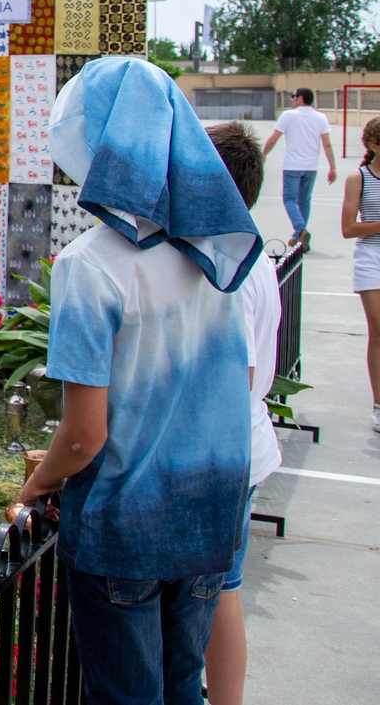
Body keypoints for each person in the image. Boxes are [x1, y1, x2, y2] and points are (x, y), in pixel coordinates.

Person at [16, 57, 259, 705]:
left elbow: (85, 434)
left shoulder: (88, 266)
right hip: (211, 517)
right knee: (184, 686)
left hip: (126, 531)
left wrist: (38, 482)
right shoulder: (210, 252)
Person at [202, 122, 282, 705]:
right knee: (220, 590)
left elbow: (239, 379)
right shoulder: (247, 243)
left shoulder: (230, 264)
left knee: (221, 593)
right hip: (242, 446)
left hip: (224, 450)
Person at [340, 115, 380, 434]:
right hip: (371, 257)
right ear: (372, 145)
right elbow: (348, 228)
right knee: (378, 331)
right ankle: (379, 406)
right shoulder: (359, 178)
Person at [261, 87, 335, 249]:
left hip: (292, 165)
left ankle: (300, 230)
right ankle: (298, 236)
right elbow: (327, 143)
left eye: (293, 96)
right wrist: (332, 167)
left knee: (289, 199)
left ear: (300, 98)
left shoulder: (288, 116)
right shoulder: (321, 118)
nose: (292, 99)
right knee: (305, 200)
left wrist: (264, 154)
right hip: (311, 166)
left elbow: (273, 139)